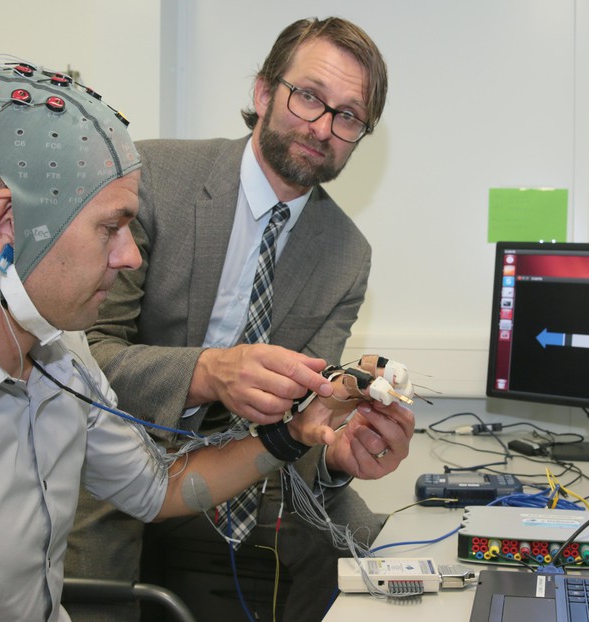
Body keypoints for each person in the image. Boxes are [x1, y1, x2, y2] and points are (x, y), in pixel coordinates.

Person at [0, 56, 383, 621]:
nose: (130, 255)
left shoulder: (63, 368)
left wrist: (292, 435)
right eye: (110, 228)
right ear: (7, 226)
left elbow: (161, 491)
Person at [66, 16, 413, 622]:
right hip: (117, 464)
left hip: (246, 483)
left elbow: (302, 428)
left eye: (348, 116)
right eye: (308, 97)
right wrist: (208, 373)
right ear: (262, 93)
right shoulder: (155, 181)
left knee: (382, 559)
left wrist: (336, 444)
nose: (322, 127)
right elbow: (84, 363)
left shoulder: (345, 256)